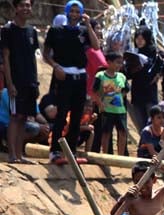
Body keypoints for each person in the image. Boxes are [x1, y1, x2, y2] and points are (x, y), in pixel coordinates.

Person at [43, 0, 99, 164]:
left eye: (77, 11)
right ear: (67, 12)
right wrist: (55, 67)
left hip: (80, 77)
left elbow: (96, 47)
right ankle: (54, 151)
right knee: (61, 114)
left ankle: (71, 151)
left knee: (76, 115)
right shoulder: (55, 30)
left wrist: (88, 25)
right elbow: (46, 54)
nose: (74, 14)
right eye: (72, 11)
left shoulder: (83, 31)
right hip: (63, 75)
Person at [1, 0, 39, 164]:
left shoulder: (32, 31)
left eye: (28, 5)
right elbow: (6, 57)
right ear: (16, 8)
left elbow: (33, 58)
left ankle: (20, 153)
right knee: (15, 116)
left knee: (24, 117)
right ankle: (12, 155)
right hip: (16, 80)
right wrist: (9, 83)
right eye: (22, 5)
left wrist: (36, 81)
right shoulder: (8, 30)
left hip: (29, 81)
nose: (26, 8)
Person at [127, 23, 163, 132]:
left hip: (149, 93)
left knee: (153, 121)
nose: (139, 41)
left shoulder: (155, 53)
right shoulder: (133, 53)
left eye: (142, 38)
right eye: (137, 38)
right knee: (140, 122)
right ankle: (144, 144)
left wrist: (157, 72)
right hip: (137, 92)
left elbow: (158, 70)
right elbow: (128, 74)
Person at [92, 51, 129, 155]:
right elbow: (94, 91)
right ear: (108, 62)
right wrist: (100, 104)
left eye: (121, 63)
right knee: (106, 133)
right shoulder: (100, 75)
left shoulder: (122, 76)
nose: (119, 65)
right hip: (106, 110)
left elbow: (126, 89)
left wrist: (120, 97)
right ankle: (106, 154)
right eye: (117, 62)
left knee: (122, 133)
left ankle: (120, 156)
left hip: (120, 110)